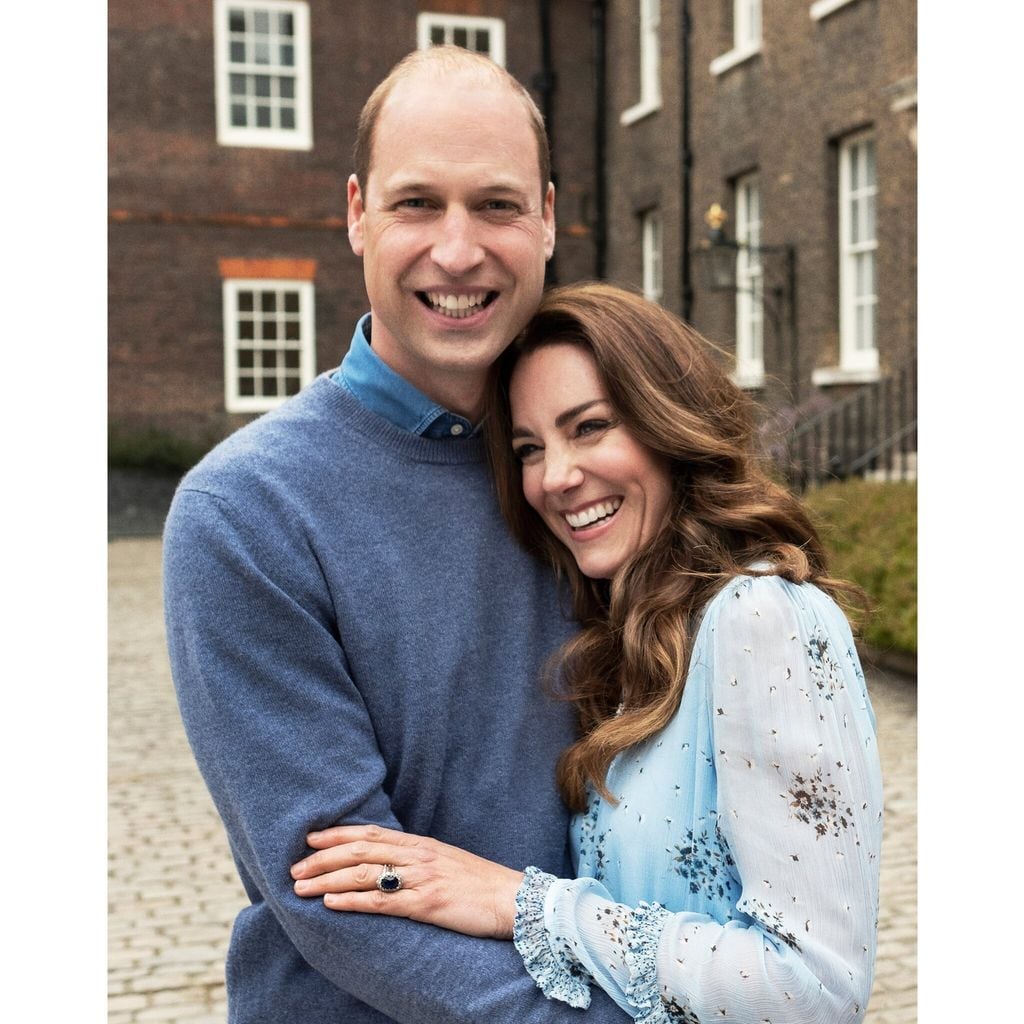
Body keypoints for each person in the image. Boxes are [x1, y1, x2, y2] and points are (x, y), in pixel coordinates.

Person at [163, 49, 632, 1022]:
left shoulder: (600, 475)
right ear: (354, 212)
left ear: (547, 215)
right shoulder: (245, 511)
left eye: (496, 206)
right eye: (417, 202)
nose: (457, 251)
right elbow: (341, 895)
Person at [290, 283, 885, 1023]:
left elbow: (813, 991)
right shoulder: (634, 636)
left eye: (591, 426)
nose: (556, 477)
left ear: (670, 424)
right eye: (530, 449)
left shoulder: (764, 618)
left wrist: (519, 902)